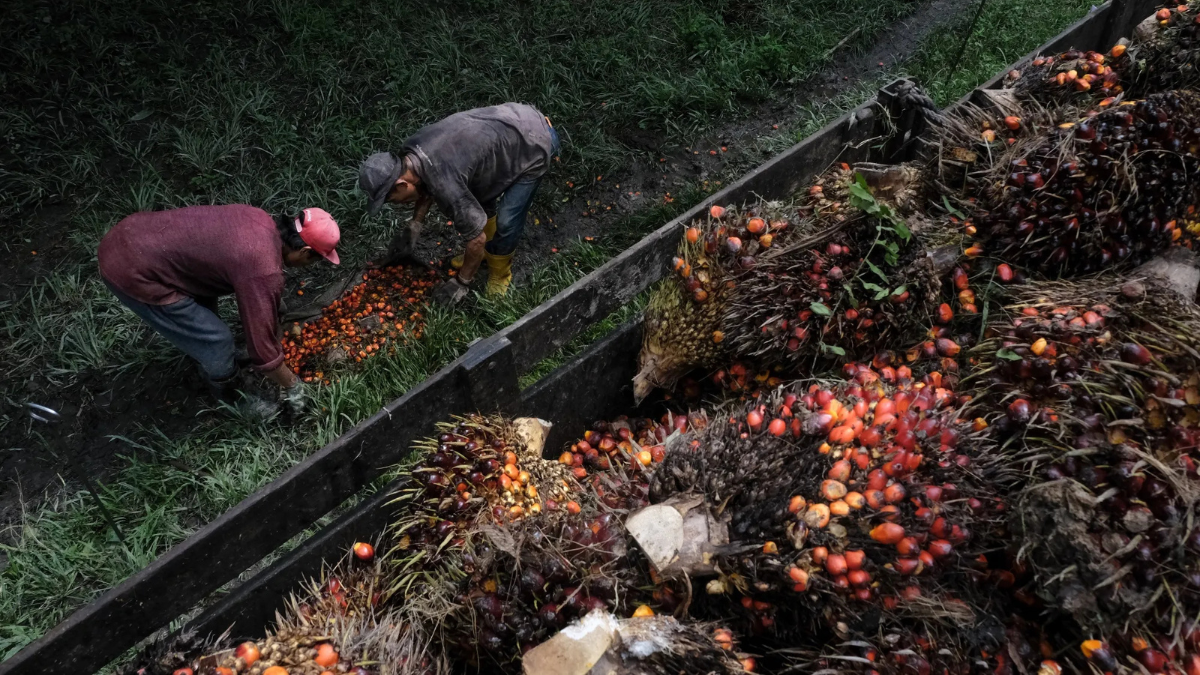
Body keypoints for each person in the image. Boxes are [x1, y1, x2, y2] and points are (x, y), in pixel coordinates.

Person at [97, 204, 341, 413]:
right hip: (132, 269)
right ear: (305, 251)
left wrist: (272, 302)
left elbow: (245, 267)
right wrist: (293, 387)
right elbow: (263, 353)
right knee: (216, 340)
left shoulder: (259, 219)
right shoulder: (262, 267)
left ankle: (213, 359)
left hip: (134, 233)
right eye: (314, 259)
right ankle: (231, 397)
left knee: (206, 315)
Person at [358, 102, 560, 304]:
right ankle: (481, 256)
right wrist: (415, 224)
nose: (394, 203)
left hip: (534, 140)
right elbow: (426, 184)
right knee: (478, 198)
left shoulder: (445, 183)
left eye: (390, 199)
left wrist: (461, 282)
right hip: (508, 129)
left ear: (401, 185)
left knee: (508, 220)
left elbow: (476, 239)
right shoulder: (411, 152)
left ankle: (500, 272)